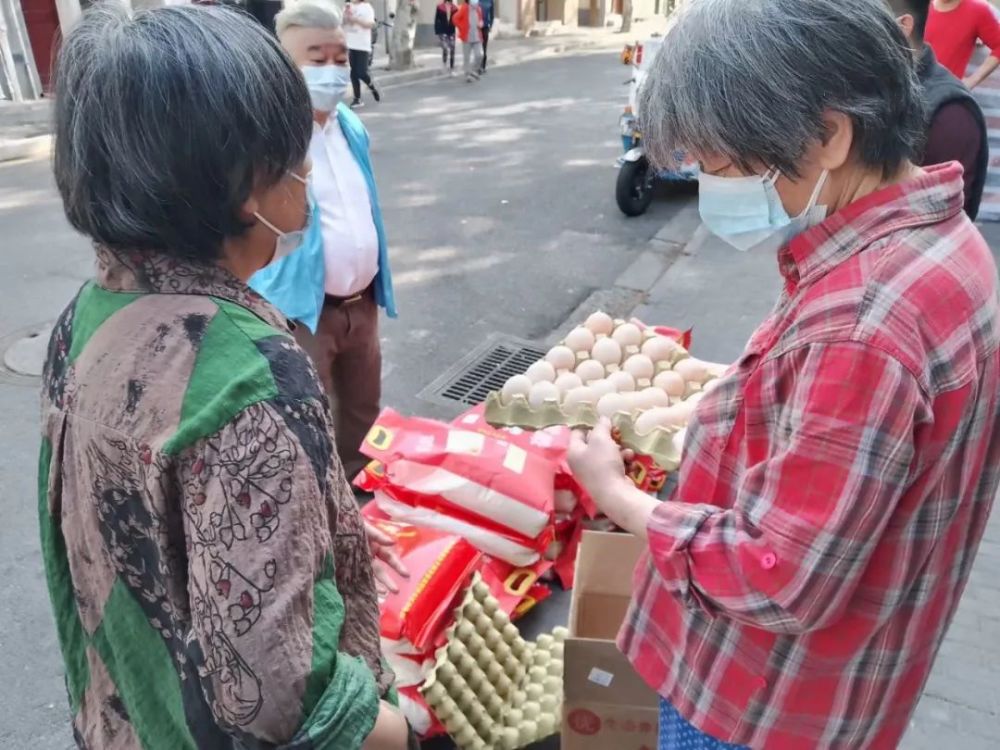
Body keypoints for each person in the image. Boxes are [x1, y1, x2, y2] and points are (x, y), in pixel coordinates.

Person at [567, 0, 1000, 748]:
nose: (712, 187)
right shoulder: (938, 243)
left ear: (830, 135)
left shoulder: (865, 327)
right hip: (849, 683)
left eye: (721, 163)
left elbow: (774, 572)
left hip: (761, 703)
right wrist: (730, 392)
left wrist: (618, 496)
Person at [42, 4, 412, 749]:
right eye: (297, 164)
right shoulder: (250, 376)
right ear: (248, 187)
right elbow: (282, 703)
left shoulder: (89, 313)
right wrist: (405, 730)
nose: (307, 188)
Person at [251, 1, 397, 487]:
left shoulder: (350, 126)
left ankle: (361, 502)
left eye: (339, 58)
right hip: (303, 313)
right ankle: (317, 511)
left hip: (363, 304)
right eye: (316, 59)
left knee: (362, 413)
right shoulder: (269, 138)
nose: (333, 70)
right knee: (305, 423)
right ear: (283, 67)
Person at [891, 0, 989, 219]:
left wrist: (972, 80)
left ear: (902, 26)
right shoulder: (872, 89)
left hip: (935, 98)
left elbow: (937, 235)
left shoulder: (950, 118)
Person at [925, 0, 1000, 87]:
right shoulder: (917, 6)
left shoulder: (977, 10)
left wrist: (973, 80)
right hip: (911, 91)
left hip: (945, 93)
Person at [344, 0, 380, 107]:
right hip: (351, 44)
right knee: (353, 73)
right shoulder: (348, 6)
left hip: (362, 45)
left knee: (361, 72)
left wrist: (356, 20)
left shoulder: (367, 7)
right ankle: (357, 99)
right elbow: (343, 23)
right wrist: (346, 17)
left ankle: (372, 87)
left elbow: (370, 24)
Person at [452, 0, 484, 82]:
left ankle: (473, 70)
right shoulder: (464, 8)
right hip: (467, 37)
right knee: (467, 57)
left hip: (477, 36)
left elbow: (480, 20)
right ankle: (467, 75)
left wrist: (481, 24)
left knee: (479, 55)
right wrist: (461, 27)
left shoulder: (479, 9)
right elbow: (455, 18)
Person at [435, 0, 457, 75]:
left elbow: (457, 19)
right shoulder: (440, 7)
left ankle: (452, 68)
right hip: (443, 31)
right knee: (445, 48)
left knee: (452, 49)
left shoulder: (454, 8)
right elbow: (437, 19)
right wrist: (438, 31)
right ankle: (444, 65)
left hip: (451, 31)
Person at [479, 0, 494, 73]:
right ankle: (478, 65)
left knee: (484, 46)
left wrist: (491, 25)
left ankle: (483, 66)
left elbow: (492, 14)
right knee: (477, 46)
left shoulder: (490, 1)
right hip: (477, 26)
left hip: (485, 26)